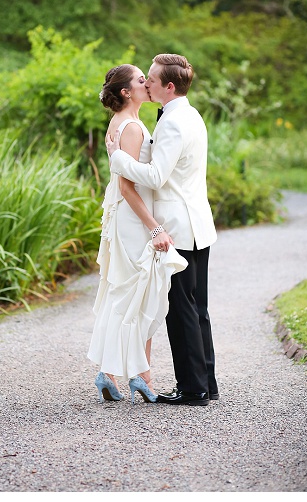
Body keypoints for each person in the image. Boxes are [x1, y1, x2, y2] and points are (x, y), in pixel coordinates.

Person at [106, 53, 218, 406]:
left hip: (179, 227)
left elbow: (156, 177)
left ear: (169, 86)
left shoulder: (171, 122)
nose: (147, 83)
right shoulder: (191, 114)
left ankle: (192, 389)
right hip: (198, 224)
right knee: (197, 307)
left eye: (151, 79)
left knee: (180, 308)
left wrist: (119, 160)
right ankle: (206, 384)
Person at [88, 64, 188, 404]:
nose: (148, 84)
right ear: (127, 92)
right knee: (139, 296)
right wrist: (154, 227)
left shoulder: (123, 123)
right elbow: (127, 187)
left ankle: (116, 372)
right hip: (133, 219)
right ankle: (138, 376)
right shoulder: (130, 127)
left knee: (129, 296)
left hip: (125, 216)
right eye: (141, 81)